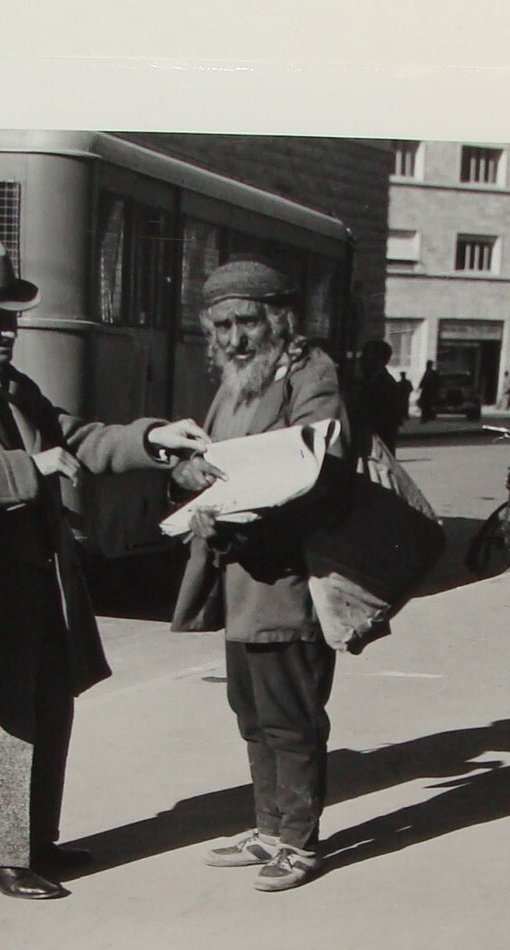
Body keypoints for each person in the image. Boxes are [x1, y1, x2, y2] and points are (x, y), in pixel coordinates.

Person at [0, 236, 210, 900]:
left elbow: (76, 437)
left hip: (38, 577)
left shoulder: (13, 390)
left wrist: (150, 438)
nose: (9, 331)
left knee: (50, 706)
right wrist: (29, 468)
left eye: (13, 318)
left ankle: (35, 842)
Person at [170, 257, 350, 892]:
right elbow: (204, 455)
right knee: (249, 710)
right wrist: (187, 474)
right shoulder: (235, 381)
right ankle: (270, 828)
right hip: (239, 576)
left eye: (247, 321)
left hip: (288, 578)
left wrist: (242, 488)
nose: (235, 337)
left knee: (290, 716)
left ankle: (300, 843)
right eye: (222, 326)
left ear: (279, 318)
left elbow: (319, 466)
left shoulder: (311, 373)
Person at [352, 339, 405, 452]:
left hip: (375, 447)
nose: (361, 359)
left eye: (367, 356)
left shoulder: (384, 384)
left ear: (381, 360)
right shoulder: (369, 380)